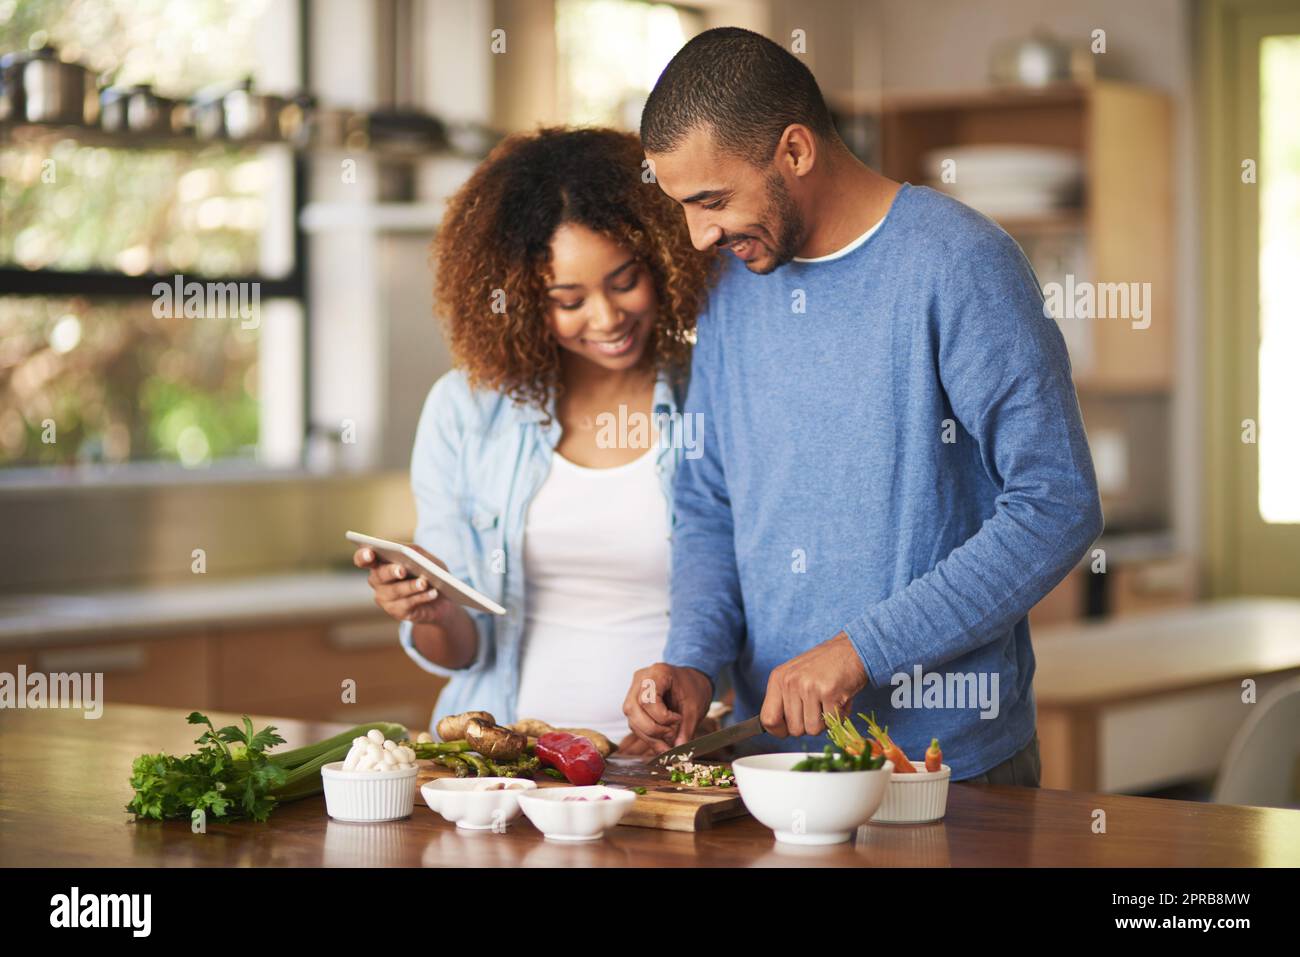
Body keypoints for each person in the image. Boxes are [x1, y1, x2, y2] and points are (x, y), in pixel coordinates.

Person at [623, 28, 1102, 784]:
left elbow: (1058, 502)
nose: (699, 233)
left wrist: (861, 651)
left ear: (796, 151)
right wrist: (693, 661)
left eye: (713, 200)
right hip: (768, 771)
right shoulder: (725, 291)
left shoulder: (959, 263)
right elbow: (709, 504)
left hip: (944, 770)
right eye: (684, 205)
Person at [355, 127, 714, 752]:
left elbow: (736, 597)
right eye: (567, 300)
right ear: (520, 300)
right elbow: (463, 653)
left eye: (625, 280)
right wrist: (432, 608)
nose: (605, 319)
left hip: (669, 766)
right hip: (506, 769)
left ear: (662, 258)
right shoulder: (465, 412)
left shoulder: (712, 393)